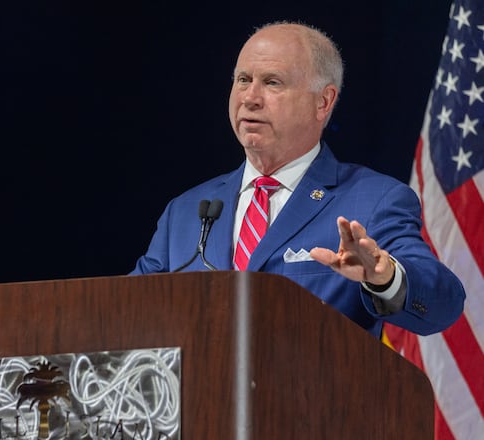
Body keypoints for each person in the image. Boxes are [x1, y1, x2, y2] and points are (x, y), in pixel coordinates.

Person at [130, 21, 465, 338]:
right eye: (243, 79)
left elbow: (443, 302)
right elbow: (126, 312)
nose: (250, 97)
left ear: (323, 102)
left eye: (272, 82)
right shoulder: (186, 211)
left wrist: (386, 278)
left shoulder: (374, 200)